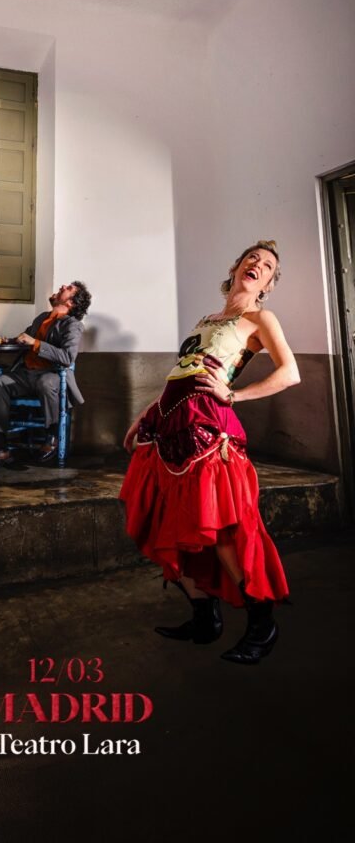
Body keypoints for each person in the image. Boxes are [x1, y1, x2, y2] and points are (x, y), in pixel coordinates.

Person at [120, 241, 300, 665]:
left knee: (216, 528)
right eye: (252, 258)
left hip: (208, 430)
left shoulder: (260, 318)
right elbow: (182, 373)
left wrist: (233, 395)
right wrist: (146, 413)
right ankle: (204, 619)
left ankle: (262, 623)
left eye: (267, 266)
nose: (257, 265)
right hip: (167, 425)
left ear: (268, 284)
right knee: (165, 522)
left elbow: (289, 373)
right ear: (236, 267)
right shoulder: (207, 319)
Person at [0, 281, 92, 463]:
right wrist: (5, 341)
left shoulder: (72, 325)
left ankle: (52, 436)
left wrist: (35, 343)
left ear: (70, 302)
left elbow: (67, 357)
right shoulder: (42, 318)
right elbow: (24, 339)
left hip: (53, 375)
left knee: (45, 382)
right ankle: (1, 446)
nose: (63, 286)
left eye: (69, 288)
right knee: (0, 382)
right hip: (27, 374)